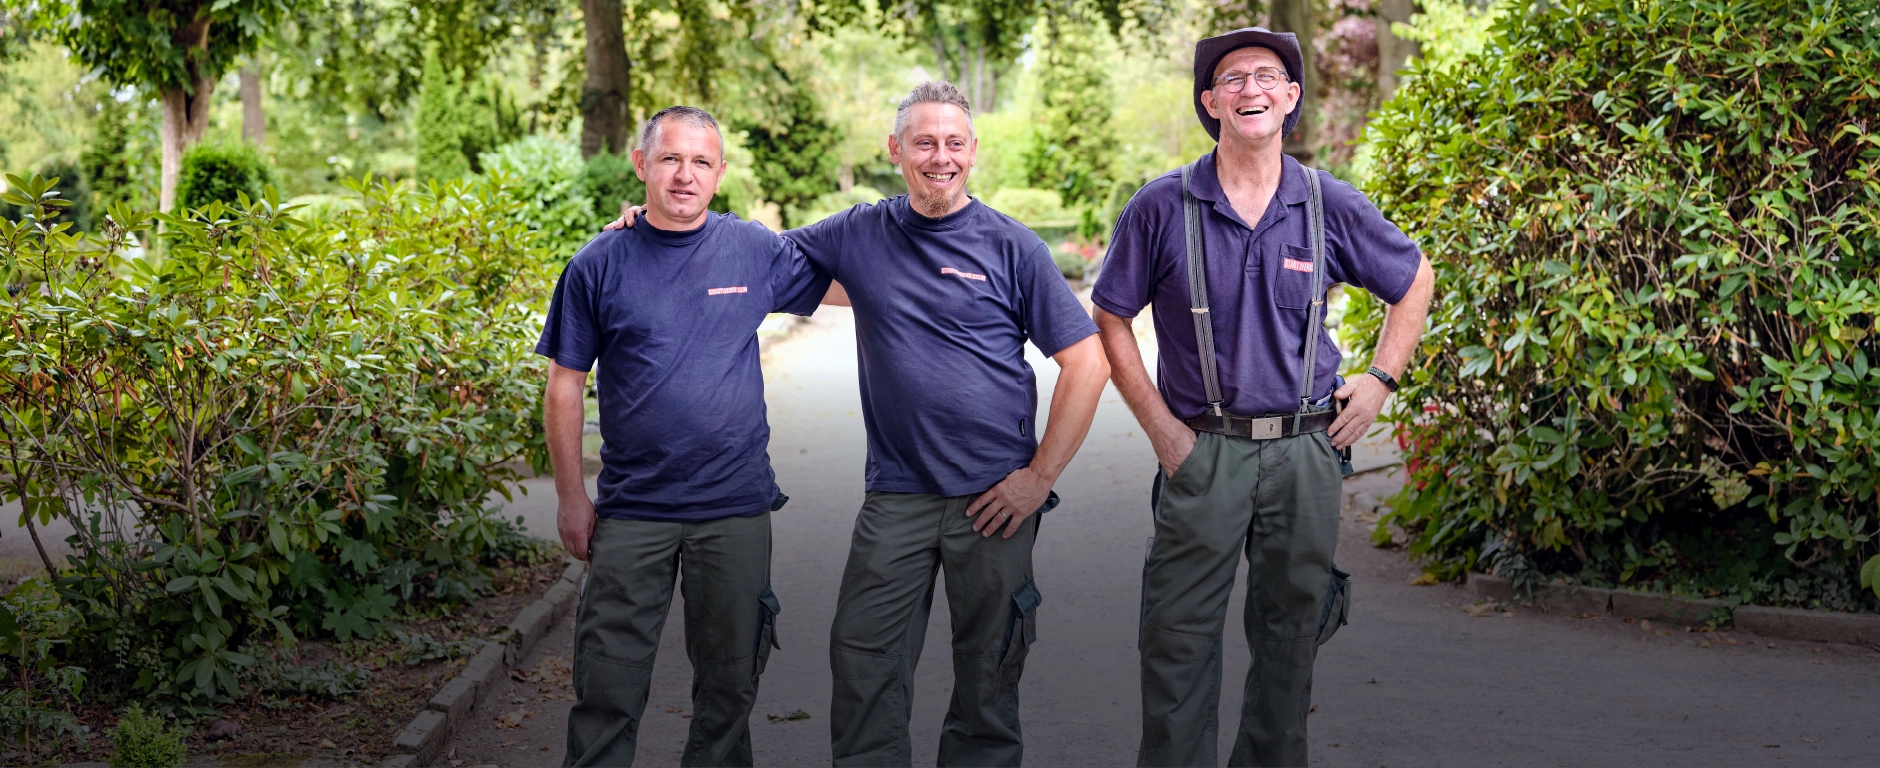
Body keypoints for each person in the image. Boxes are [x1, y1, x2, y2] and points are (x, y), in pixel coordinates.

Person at [608, 81, 1111, 767]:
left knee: (989, 673)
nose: (940, 157)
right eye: (924, 143)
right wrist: (649, 227)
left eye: (954, 143)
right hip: (897, 494)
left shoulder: (1013, 247)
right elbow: (740, 253)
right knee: (863, 659)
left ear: (973, 151)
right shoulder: (858, 232)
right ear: (895, 150)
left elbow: (1087, 363)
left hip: (996, 498)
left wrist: (1038, 478)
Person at [1090, 28, 1435, 768]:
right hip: (1202, 452)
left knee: (1291, 642)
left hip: (1307, 454)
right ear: (1210, 102)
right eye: (1233, 78)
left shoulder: (1326, 202)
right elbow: (1109, 316)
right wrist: (1162, 430)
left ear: (1291, 97)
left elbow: (1414, 280)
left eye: (1267, 75)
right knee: (1176, 641)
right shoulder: (1161, 205)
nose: (1251, 88)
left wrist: (1380, 380)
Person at [538, 105, 831, 767]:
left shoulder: (751, 248)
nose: (684, 175)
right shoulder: (597, 263)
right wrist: (570, 497)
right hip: (632, 510)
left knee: (730, 687)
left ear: (719, 173)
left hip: (734, 508)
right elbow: (564, 385)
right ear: (641, 164)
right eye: (670, 158)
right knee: (607, 686)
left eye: (701, 161)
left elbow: (859, 277)